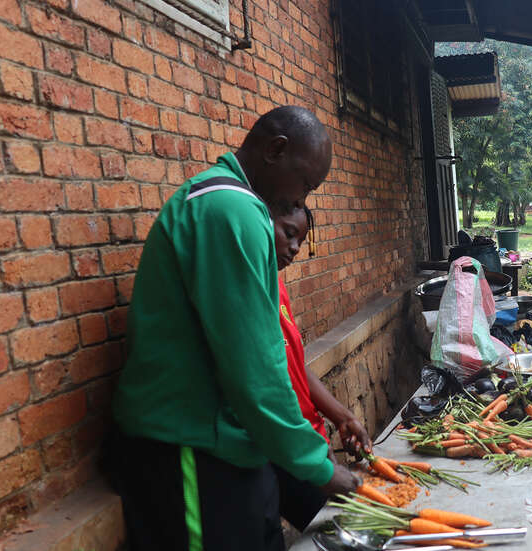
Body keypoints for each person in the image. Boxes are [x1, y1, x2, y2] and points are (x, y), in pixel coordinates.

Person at [112, 106, 359, 551]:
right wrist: (318, 467)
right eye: (305, 184)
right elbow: (256, 368)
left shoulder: (229, 204)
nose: (302, 198)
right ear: (276, 150)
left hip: (233, 445)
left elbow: (268, 354)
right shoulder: (229, 210)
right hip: (192, 449)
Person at [270, 203, 372, 530]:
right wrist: (317, 463)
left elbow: (297, 368)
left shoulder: (278, 287)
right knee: (340, 526)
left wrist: (342, 416)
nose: (295, 248)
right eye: (288, 233)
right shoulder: (248, 292)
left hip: (307, 440)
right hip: (286, 448)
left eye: (301, 239)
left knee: (344, 522)